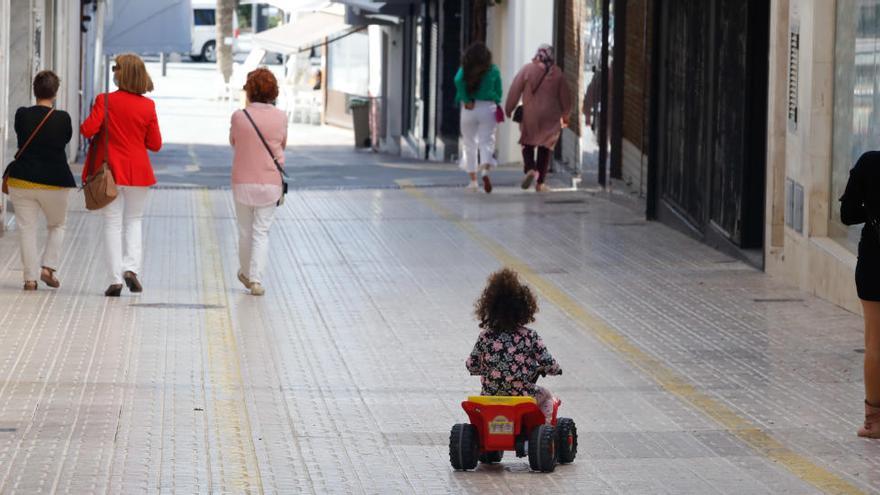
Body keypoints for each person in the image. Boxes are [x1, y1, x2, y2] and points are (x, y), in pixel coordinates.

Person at [81, 53, 162, 297]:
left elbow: (87, 129)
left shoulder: (105, 101)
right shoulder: (148, 106)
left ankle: (115, 279)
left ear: (120, 73)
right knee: (134, 220)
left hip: (110, 171)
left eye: (116, 68)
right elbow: (155, 143)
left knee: (112, 222)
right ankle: (132, 269)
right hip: (139, 172)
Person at [3, 71, 75, 291]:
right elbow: (65, 140)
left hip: (23, 180)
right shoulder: (63, 118)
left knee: (27, 229)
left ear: (34, 90)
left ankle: (30, 279)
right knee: (57, 225)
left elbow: (20, 134)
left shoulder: (22, 114)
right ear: (55, 93)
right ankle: (48, 268)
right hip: (55, 181)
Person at [466, 268, 562, 423]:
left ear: (489, 307)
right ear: (524, 308)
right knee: (547, 396)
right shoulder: (530, 336)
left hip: (491, 398)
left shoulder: (485, 336)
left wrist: (481, 369)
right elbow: (547, 362)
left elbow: (471, 365)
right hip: (522, 398)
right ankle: (545, 431)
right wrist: (555, 370)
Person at [229, 67, 288, 296]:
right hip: (270, 182)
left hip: (243, 180)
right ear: (273, 91)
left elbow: (234, 142)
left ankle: (244, 272)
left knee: (245, 231)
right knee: (261, 232)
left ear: (249, 91)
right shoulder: (281, 116)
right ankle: (256, 280)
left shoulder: (239, 116)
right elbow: (282, 145)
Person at [841, 151, 880, 438]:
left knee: (875, 343)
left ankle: (874, 422)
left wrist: (872, 209)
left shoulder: (869, 163)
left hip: (874, 261)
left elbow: (847, 215)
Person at [505, 44, 572, 192]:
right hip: (551, 117)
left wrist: (509, 108)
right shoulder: (558, 74)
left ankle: (530, 168)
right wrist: (566, 116)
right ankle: (540, 183)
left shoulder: (527, 69)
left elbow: (515, 89)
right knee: (545, 147)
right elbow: (566, 100)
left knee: (527, 142)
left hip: (531, 114)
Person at [454, 42, 502, 193]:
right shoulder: (493, 70)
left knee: (469, 144)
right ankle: (486, 170)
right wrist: (495, 98)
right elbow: (499, 90)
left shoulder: (465, 70)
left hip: (469, 108)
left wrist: (466, 99)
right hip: (487, 107)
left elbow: (457, 80)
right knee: (486, 141)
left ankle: (473, 181)